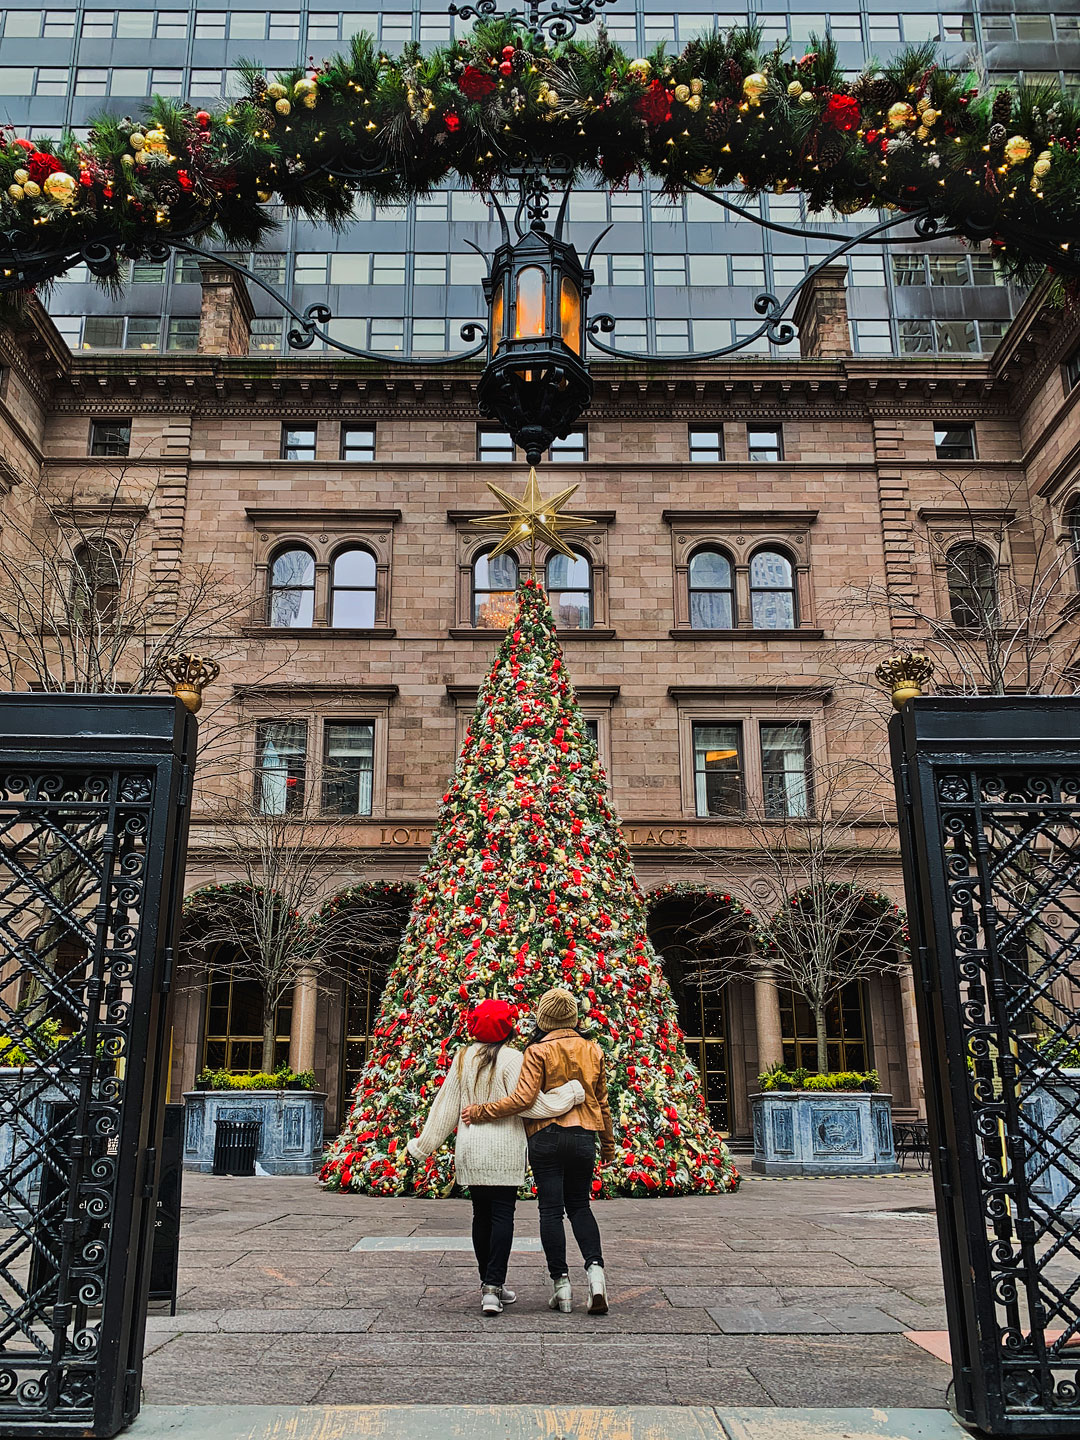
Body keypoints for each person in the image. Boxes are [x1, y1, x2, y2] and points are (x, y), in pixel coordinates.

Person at [405, 997, 584, 1316]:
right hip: (503, 1151)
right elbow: (533, 1105)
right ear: (508, 1028)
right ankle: (493, 1286)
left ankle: (491, 1286)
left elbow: (444, 1109)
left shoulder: (463, 1058)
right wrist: (570, 1093)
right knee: (502, 1215)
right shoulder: (513, 1059)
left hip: (471, 1151)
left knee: (480, 1215)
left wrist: (422, 1145)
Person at [462, 986, 615, 1316]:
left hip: (546, 1138)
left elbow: (523, 1101)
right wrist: (609, 1145)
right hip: (585, 1135)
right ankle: (596, 1274)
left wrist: (480, 1111)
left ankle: (562, 1287)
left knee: (551, 1211)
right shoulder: (592, 1049)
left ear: (543, 1018)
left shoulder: (535, 1052)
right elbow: (602, 1102)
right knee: (580, 1206)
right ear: (574, 1016)